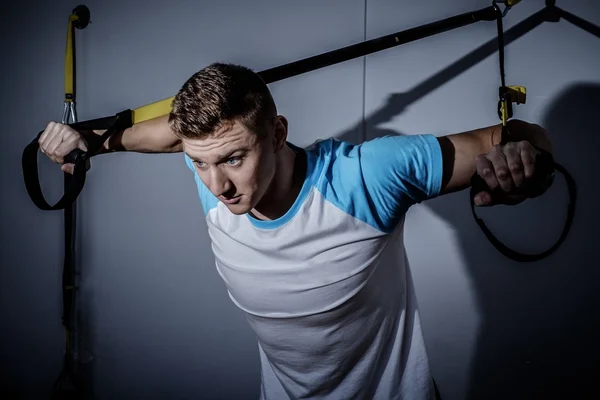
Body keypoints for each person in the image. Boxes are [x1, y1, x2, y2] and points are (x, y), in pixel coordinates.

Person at [38, 63, 553, 400]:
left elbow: (510, 137)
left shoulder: (367, 175)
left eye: (235, 158)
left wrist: (525, 161)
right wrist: (90, 141)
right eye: (200, 163)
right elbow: (170, 136)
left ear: (278, 133)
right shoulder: (210, 161)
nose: (218, 185)